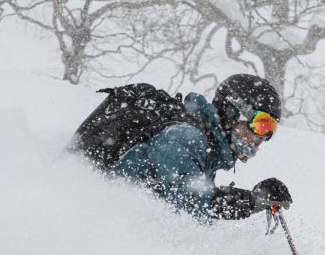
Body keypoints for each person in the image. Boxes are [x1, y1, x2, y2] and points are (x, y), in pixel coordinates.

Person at [110, 74, 292, 219]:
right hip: (110, 226)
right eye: (262, 124)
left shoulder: (209, 150)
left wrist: (255, 200)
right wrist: (251, 201)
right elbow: (191, 200)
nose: (263, 137)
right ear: (234, 111)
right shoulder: (186, 137)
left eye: (271, 130)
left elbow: (195, 219)